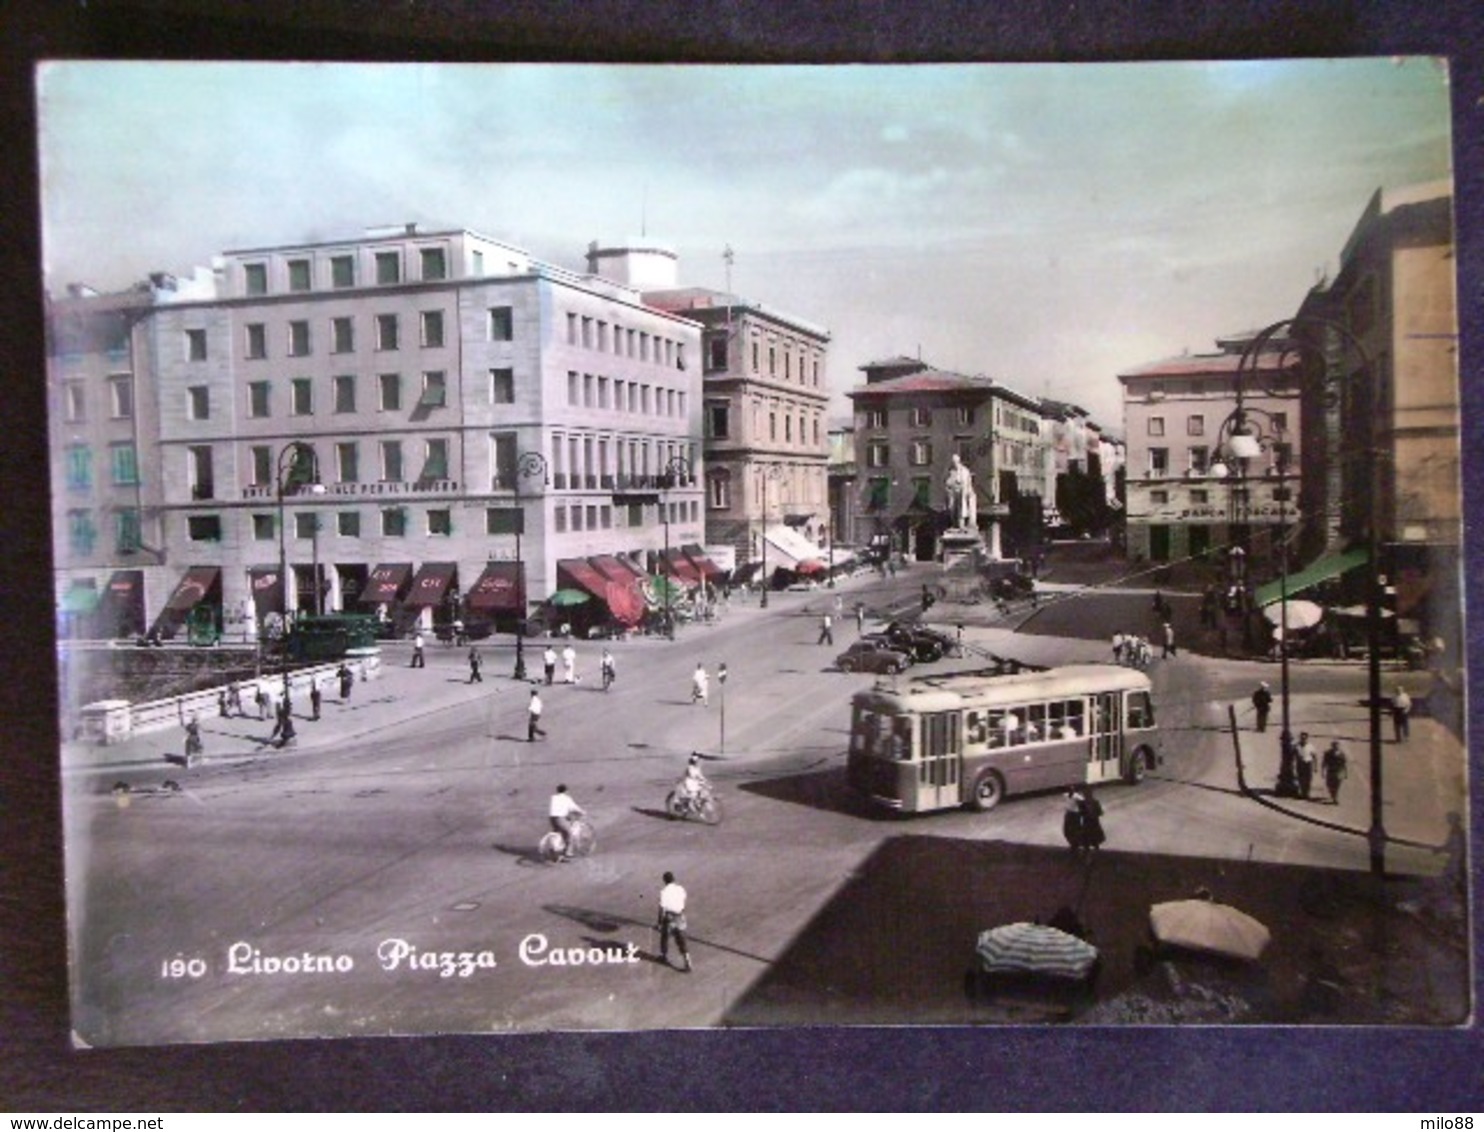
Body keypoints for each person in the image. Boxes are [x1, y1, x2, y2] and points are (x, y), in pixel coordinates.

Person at [656, 871, 692, 971]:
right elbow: (683, 900)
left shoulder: (664, 892)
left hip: (669, 918)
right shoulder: (680, 889)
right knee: (682, 940)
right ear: (673, 879)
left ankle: (664, 956)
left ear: (664, 881)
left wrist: (659, 923)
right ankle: (687, 962)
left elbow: (662, 909)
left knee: (665, 937)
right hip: (680, 916)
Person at [547, 784, 585, 861]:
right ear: (566, 791)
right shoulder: (567, 798)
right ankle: (568, 852)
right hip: (560, 818)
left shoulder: (553, 798)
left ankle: (554, 851)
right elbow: (573, 807)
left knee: (557, 832)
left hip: (552, 818)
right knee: (569, 833)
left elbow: (559, 807)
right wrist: (582, 812)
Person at [1078, 785, 1106, 854]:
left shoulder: (1092, 802)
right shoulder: (1084, 803)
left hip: (1090, 822)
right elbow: (1081, 813)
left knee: (1091, 838)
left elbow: (1100, 812)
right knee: (1090, 838)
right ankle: (1091, 850)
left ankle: (1091, 850)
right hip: (1090, 822)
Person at [1321, 740, 1348, 805]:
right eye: (1334, 746)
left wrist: (1345, 773)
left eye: (1337, 745)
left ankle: (1335, 798)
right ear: (1332, 746)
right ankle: (1333, 796)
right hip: (1330, 771)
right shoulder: (1327, 753)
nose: (1336, 747)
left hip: (1339, 771)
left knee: (1337, 785)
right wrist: (1323, 771)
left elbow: (1344, 764)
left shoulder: (1342, 754)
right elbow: (1324, 762)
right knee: (1329, 784)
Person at [1295, 731, 1318, 799]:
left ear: (1307, 738)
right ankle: (1302, 793)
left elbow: (1314, 756)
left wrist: (1315, 766)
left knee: (1308, 779)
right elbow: (1294, 755)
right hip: (1300, 764)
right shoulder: (1297, 746)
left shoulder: (1310, 746)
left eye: (1304, 738)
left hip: (1308, 763)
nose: (1303, 739)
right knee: (1300, 778)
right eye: (1302, 738)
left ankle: (1307, 793)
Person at [1062, 787, 1085, 855]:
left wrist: (1080, 811)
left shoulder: (1077, 797)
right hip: (1069, 814)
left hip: (1075, 815)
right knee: (1067, 830)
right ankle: (1074, 844)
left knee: (1075, 830)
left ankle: (1076, 845)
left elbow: (1083, 802)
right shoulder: (1065, 795)